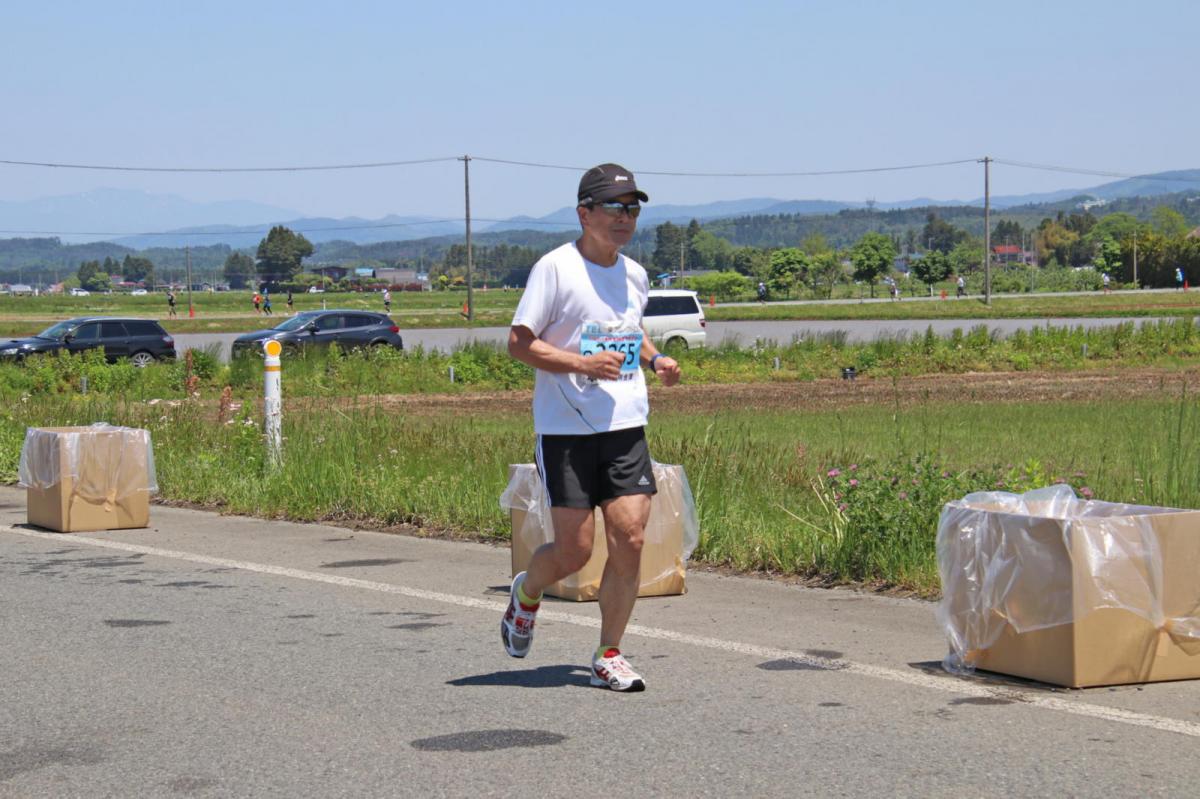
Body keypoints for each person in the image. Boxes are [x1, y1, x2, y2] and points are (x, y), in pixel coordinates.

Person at [503, 163, 681, 692]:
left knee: (630, 537)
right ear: (584, 213)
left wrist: (654, 360)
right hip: (566, 431)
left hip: (625, 424)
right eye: (613, 208)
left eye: (632, 209)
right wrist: (582, 364)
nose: (625, 218)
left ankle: (609, 654)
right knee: (574, 551)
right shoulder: (555, 269)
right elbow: (519, 344)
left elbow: (630, 330)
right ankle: (527, 593)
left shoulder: (635, 274)